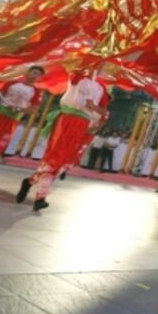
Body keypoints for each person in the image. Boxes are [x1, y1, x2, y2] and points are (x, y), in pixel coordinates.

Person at [16, 68, 109, 211]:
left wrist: (93, 107)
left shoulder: (102, 88)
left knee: (64, 161)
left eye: (100, 64)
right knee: (54, 156)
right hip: (67, 119)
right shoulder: (78, 77)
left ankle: (30, 182)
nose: (97, 66)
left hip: (83, 125)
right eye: (95, 63)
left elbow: (104, 111)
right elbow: (77, 70)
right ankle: (41, 197)